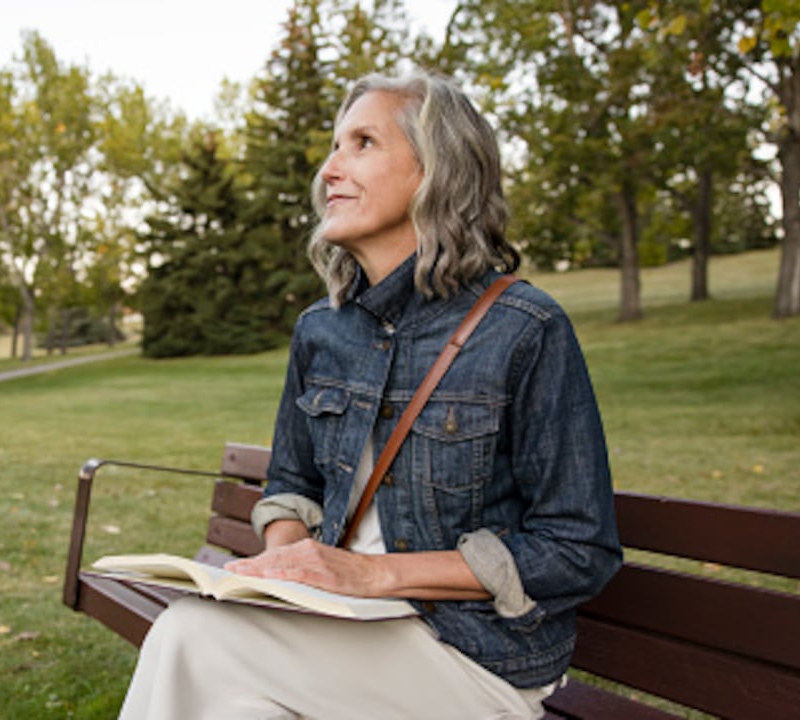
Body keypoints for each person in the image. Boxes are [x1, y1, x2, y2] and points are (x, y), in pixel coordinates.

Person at [118, 69, 622, 720]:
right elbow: (290, 484)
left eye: (362, 143)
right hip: (339, 626)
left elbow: (579, 549)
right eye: (334, 146)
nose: (330, 168)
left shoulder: (524, 330)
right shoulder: (321, 332)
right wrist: (288, 566)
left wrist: (373, 575)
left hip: (474, 656)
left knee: (192, 635)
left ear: (437, 171)